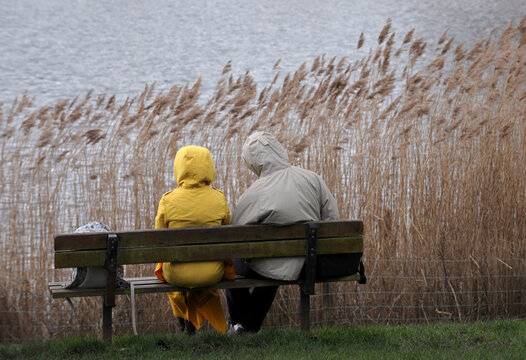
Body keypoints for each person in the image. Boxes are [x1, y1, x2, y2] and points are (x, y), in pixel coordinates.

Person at [226, 131, 340, 333]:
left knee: (235, 265)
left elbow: (236, 238)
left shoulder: (253, 193)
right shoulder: (312, 179)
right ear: (278, 150)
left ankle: (240, 325)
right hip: (309, 263)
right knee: (276, 263)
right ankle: (244, 326)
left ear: (253, 162)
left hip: (278, 262)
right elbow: (332, 220)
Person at [154, 145, 234, 334]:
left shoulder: (168, 200)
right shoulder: (219, 199)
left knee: (169, 267)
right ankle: (206, 323)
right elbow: (227, 232)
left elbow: (159, 241)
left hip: (177, 275)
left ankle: (184, 319)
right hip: (212, 273)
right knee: (207, 266)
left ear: (179, 168)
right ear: (209, 167)